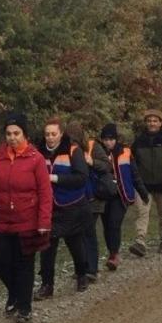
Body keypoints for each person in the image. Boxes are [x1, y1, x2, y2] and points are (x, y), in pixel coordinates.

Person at [0, 113, 52, 323]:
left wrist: (43, 222)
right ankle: (15, 291)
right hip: (0, 219)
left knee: (24, 264)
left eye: (16, 133)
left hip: (27, 220)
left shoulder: (36, 158)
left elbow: (45, 192)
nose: (12, 138)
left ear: (25, 134)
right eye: (8, 134)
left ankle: (24, 307)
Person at [35, 118, 92, 298]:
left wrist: (56, 179)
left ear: (61, 134)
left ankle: (82, 275)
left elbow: (82, 178)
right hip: (48, 207)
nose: (50, 138)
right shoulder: (38, 153)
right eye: (47, 134)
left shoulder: (73, 151)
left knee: (75, 244)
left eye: (53, 134)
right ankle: (47, 285)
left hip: (72, 206)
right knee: (47, 247)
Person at [128, 109, 162, 256]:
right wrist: (136, 182)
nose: (152, 123)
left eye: (155, 121)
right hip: (144, 186)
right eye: (149, 121)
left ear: (160, 123)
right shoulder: (138, 142)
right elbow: (133, 163)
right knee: (142, 213)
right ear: (146, 123)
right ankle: (140, 242)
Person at [92, 123, 135, 269]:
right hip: (105, 194)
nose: (108, 142)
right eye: (105, 139)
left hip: (120, 195)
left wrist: (141, 192)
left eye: (111, 139)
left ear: (116, 139)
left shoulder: (124, 151)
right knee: (106, 225)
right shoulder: (98, 153)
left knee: (114, 223)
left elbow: (134, 173)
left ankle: (114, 254)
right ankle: (112, 252)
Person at [68, 121, 102, 285]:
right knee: (83, 234)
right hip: (83, 198)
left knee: (86, 234)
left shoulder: (89, 148)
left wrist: (92, 162)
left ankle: (89, 268)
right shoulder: (75, 150)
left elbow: (106, 165)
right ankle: (86, 268)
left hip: (88, 198)